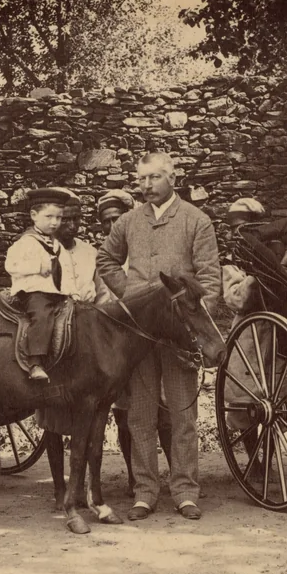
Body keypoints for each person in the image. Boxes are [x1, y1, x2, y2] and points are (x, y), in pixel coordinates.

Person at [96, 152, 222, 521]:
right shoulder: (128, 221)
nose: (146, 186)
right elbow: (106, 260)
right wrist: (131, 296)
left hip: (178, 335)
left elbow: (210, 282)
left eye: (153, 178)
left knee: (183, 416)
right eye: (142, 179)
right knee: (140, 417)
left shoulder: (196, 221)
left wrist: (195, 328)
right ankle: (145, 492)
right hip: (138, 334)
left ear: (172, 177)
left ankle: (185, 491)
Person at [97, 190, 173, 477]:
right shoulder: (102, 258)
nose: (112, 224)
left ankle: (176, 474)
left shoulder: (147, 253)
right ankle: (134, 476)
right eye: (106, 220)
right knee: (124, 414)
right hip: (119, 347)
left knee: (163, 411)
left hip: (152, 343)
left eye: (117, 218)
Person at [4, 188, 73, 382]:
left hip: (56, 293)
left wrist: (73, 291)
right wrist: (36, 266)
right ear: (34, 216)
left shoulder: (57, 245)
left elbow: (66, 270)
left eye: (59, 218)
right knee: (42, 315)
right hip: (33, 293)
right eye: (49, 216)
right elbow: (11, 265)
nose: (54, 222)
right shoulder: (25, 243)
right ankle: (35, 362)